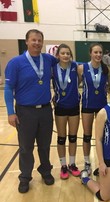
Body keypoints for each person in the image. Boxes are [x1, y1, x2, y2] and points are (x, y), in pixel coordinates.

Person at [4, 29, 57, 193]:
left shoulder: (48, 59)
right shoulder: (15, 62)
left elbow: (66, 63)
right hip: (25, 112)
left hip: (46, 111)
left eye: (40, 40)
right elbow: (8, 88)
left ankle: (45, 171)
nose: (37, 43)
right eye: (33, 40)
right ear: (26, 41)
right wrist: (10, 112)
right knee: (26, 147)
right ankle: (25, 177)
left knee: (45, 145)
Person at [78, 43, 110, 175]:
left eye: (100, 52)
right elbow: (75, 84)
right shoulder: (82, 68)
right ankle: (87, 163)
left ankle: (100, 163)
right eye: (95, 52)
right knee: (87, 135)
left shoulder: (106, 69)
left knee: (101, 136)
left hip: (102, 106)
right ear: (90, 53)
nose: (98, 55)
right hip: (87, 105)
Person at [52, 44, 81, 179]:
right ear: (58, 55)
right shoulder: (53, 68)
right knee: (61, 138)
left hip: (74, 106)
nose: (65, 56)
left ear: (71, 55)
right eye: (62, 53)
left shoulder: (75, 66)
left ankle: (72, 164)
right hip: (60, 107)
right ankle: (63, 165)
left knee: (73, 137)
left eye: (68, 53)